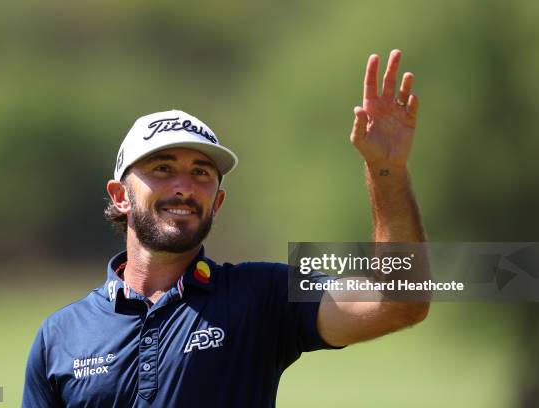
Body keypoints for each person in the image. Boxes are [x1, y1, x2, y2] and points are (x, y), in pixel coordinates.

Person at [22, 49, 430, 407]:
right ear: (120, 196)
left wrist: (386, 170)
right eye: (162, 169)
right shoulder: (59, 336)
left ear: (217, 202)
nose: (184, 187)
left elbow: (399, 302)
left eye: (202, 173)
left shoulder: (261, 296)